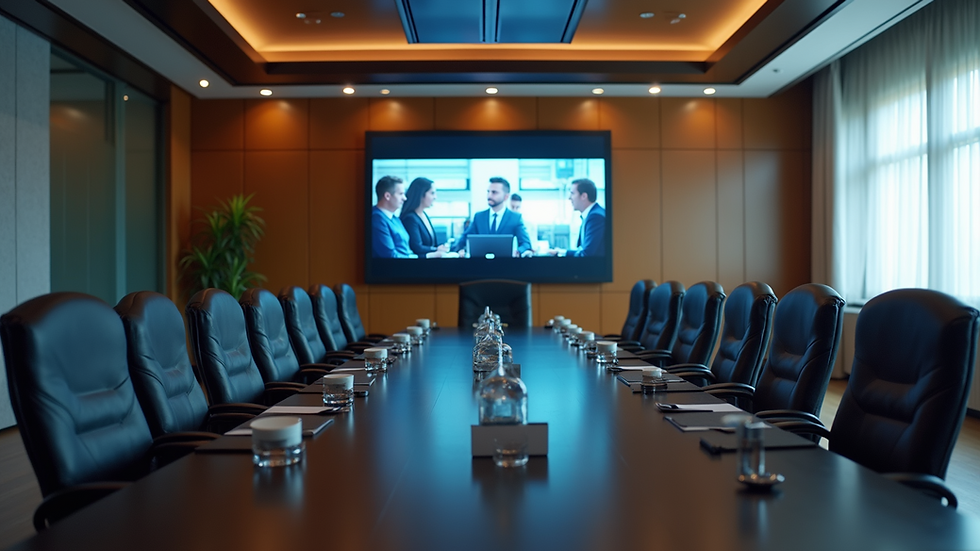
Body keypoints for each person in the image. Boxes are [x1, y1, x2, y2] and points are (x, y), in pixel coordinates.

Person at [452, 177, 533, 257]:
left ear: (506, 197)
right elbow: (464, 239)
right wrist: (455, 250)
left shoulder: (515, 218)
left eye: (494, 192)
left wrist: (518, 251)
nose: (489, 195)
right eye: (488, 191)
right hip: (481, 263)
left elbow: (526, 244)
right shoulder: (479, 217)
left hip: (506, 263)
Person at [548, 178, 605, 257]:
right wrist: (561, 252)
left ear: (584, 196)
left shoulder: (595, 217)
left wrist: (563, 253)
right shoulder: (591, 215)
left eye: (572, 193)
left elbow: (586, 254)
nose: (569, 198)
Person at [400, 177, 451, 258]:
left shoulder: (424, 214)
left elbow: (432, 243)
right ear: (421, 194)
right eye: (432, 193)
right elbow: (417, 247)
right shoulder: (410, 218)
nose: (435, 197)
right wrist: (436, 249)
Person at [371, 175, 417, 258]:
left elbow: (405, 250)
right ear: (387, 196)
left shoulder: (394, 218)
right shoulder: (376, 219)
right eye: (401, 194)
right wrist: (420, 258)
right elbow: (390, 256)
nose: (405, 198)